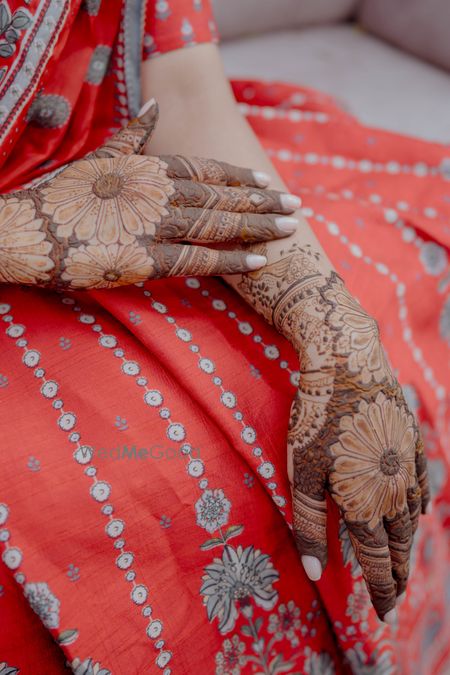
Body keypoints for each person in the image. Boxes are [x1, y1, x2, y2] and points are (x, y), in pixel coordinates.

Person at [0, 1, 448, 673]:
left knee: (367, 320)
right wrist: (14, 233)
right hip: (42, 228)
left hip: (111, 191)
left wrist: (332, 322)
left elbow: (182, 91)